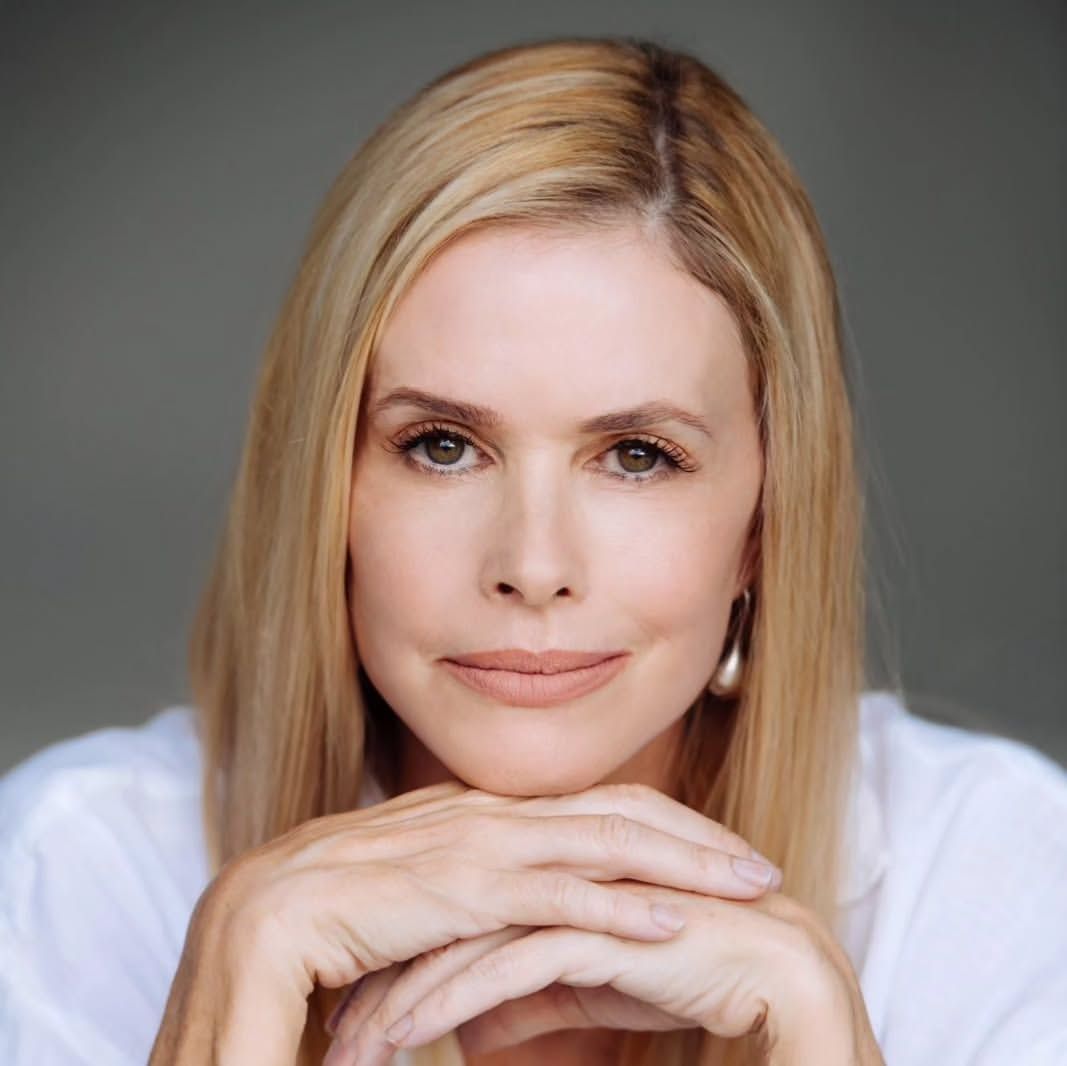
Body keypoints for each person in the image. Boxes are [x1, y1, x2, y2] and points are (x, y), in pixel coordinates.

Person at [1, 34, 1065, 1066]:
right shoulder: (82, 871)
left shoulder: (993, 870)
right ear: (325, 492)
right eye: (442, 446)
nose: (533, 562)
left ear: (762, 523)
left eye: (637, 456)